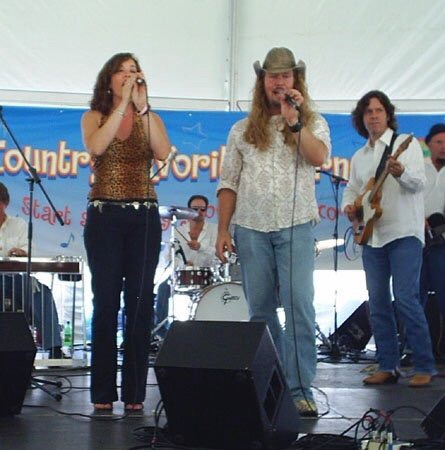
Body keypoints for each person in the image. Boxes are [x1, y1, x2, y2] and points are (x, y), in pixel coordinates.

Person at [215, 47, 331, 417]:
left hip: (296, 226)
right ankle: (271, 385)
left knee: (299, 305)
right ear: (262, 81)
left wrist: (294, 122)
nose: (278, 81)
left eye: (285, 75)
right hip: (251, 228)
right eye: (272, 76)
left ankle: (300, 390)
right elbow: (228, 183)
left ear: (296, 80)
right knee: (261, 311)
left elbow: (318, 157)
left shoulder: (312, 122)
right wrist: (222, 229)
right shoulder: (241, 129)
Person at [81, 52, 171, 411]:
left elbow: (162, 152)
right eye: (122, 71)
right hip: (104, 215)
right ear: (109, 79)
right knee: (105, 301)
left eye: (135, 71)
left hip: (143, 217)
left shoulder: (150, 118)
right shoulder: (94, 116)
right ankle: (102, 392)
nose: (130, 76)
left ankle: (134, 393)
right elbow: (97, 146)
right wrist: (122, 106)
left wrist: (143, 108)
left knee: (140, 301)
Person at [341, 90, 436, 387]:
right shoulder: (360, 156)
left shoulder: (406, 144)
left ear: (388, 115)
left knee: (406, 299)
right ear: (361, 118)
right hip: (373, 236)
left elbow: (418, 184)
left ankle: (424, 365)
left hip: (403, 232)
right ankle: (387, 364)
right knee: (378, 302)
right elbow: (353, 189)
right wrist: (350, 206)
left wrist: (400, 172)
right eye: (368, 112)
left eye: (378, 110)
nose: (373, 116)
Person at [0, 182, 63, 358]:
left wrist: (22, 252)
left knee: (42, 293)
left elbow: (30, 251)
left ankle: (54, 348)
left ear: (5, 204)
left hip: (16, 279)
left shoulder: (19, 224)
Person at [154, 194, 218, 337]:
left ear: (207, 211)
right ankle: (161, 331)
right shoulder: (178, 232)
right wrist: (183, 264)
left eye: (202, 209)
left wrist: (201, 247)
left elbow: (221, 255)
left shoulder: (215, 230)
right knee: (163, 287)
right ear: (188, 211)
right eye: (195, 209)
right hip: (182, 275)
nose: (199, 212)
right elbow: (168, 258)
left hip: (209, 276)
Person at [420, 124, 445, 316]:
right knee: (414, 296)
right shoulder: (418, 168)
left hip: (442, 242)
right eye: (439, 142)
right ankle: (410, 336)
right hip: (416, 240)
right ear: (428, 144)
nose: (443, 146)